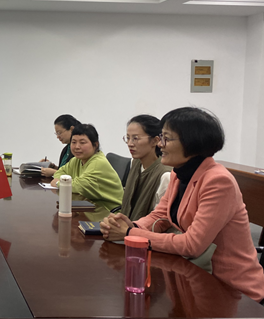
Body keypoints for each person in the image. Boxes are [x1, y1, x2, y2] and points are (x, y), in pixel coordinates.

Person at [100, 107, 264, 302]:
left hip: (231, 289)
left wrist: (130, 233)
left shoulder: (218, 181)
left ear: (192, 142)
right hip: (194, 276)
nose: (160, 144)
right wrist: (131, 225)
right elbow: (160, 215)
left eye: (166, 138)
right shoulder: (179, 174)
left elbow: (192, 245)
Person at [50, 124, 123, 211]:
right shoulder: (76, 160)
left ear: (95, 145)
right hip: (89, 207)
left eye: (82, 142)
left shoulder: (98, 163)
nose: (77, 147)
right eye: (74, 142)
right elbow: (60, 172)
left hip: (109, 212)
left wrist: (58, 183)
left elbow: (80, 187)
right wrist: (63, 181)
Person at [120, 114, 171, 221]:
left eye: (135, 138)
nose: (130, 144)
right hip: (124, 226)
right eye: (128, 138)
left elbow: (159, 220)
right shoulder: (135, 162)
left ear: (155, 141)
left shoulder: (165, 175)